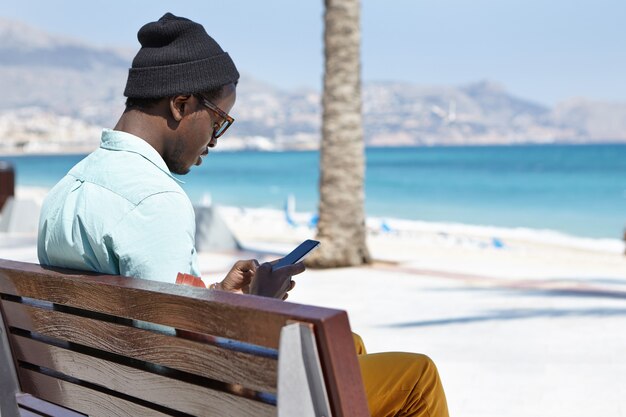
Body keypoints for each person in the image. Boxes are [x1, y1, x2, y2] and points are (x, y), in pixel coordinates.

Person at [37, 13, 448, 417]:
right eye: (218, 122)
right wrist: (258, 307)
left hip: (111, 393)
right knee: (416, 375)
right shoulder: (154, 199)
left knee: (348, 346)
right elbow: (185, 360)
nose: (214, 141)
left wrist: (220, 294)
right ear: (181, 105)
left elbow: (151, 311)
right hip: (192, 402)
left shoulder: (67, 190)